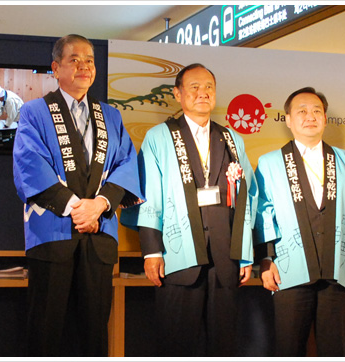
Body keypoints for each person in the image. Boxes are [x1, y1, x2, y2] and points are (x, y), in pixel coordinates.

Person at [13, 34, 143, 357]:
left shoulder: (110, 115)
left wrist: (98, 206)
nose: (84, 66)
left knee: (94, 331)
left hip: (99, 237)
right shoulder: (34, 112)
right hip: (52, 233)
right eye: (74, 60)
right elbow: (30, 163)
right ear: (55, 68)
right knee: (45, 329)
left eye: (89, 60)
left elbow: (127, 164)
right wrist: (76, 208)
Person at [121, 63, 257, 356]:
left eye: (209, 87)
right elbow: (149, 196)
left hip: (225, 257)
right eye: (194, 87)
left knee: (224, 344)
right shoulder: (159, 137)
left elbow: (248, 198)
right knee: (176, 342)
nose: (202, 93)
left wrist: (245, 253)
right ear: (178, 93)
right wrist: (151, 251)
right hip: (178, 254)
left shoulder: (233, 139)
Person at [253, 87, 345, 356]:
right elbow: (262, 214)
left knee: (334, 347)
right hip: (288, 270)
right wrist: (266, 261)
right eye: (301, 111)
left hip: (338, 268)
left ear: (325, 119)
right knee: (288, 347)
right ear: (288, 120)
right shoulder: (269, 163)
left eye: (317, 111)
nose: (310, 116)